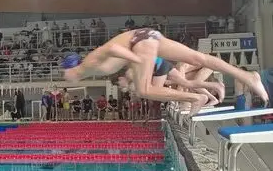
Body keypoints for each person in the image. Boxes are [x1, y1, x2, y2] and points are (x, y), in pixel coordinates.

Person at [64, 28, 268, 115]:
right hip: (147, 35)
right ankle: (247, 76)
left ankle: (195, 98)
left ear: (71, 67)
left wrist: (138, 59)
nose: (66, 78)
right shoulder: (89, 69)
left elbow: (113, 48)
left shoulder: (87, 63)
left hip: (139, 43)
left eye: (66, 74)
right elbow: (118, 53)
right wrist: (136, 63)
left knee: (145, 90)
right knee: (199, 58)